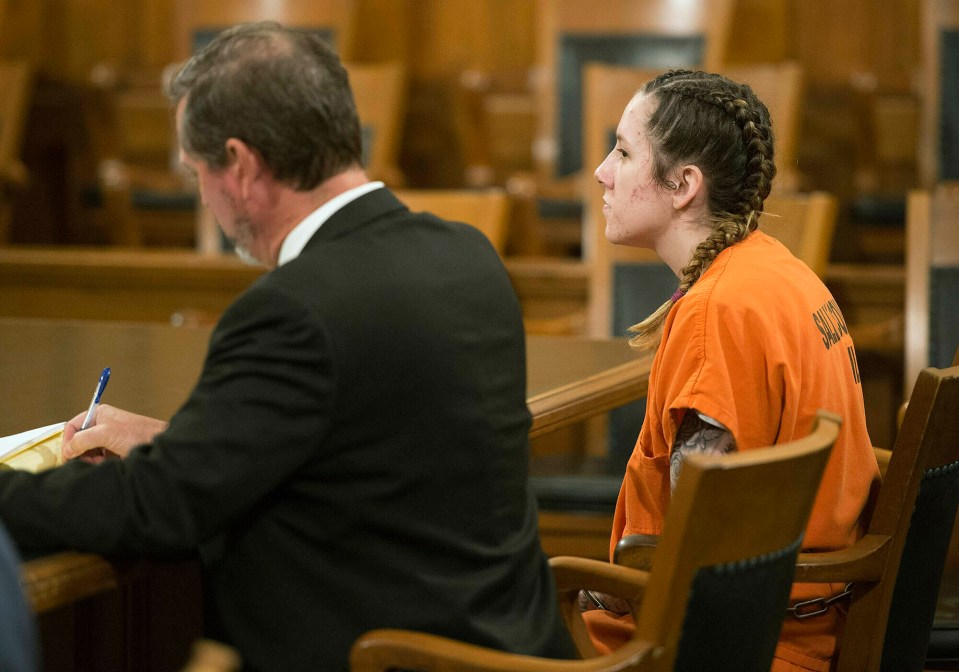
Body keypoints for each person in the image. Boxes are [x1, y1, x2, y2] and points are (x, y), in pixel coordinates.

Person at [0, 22, 575, 672]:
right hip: (509, 648)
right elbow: (365, 454)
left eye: (197, 173)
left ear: (241, 166)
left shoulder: (294, 308)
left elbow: (155, 511)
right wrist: (177, 444)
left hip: (392, 656)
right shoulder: (465, 253)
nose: (204, 195)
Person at [579, 70, 880, 672]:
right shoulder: (777, 270)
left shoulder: (717, 311)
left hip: (716, 647)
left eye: (624, 150)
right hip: (796, 626)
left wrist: (592, 586)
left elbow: (699, 552)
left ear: (683, 184)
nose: (601, 172)